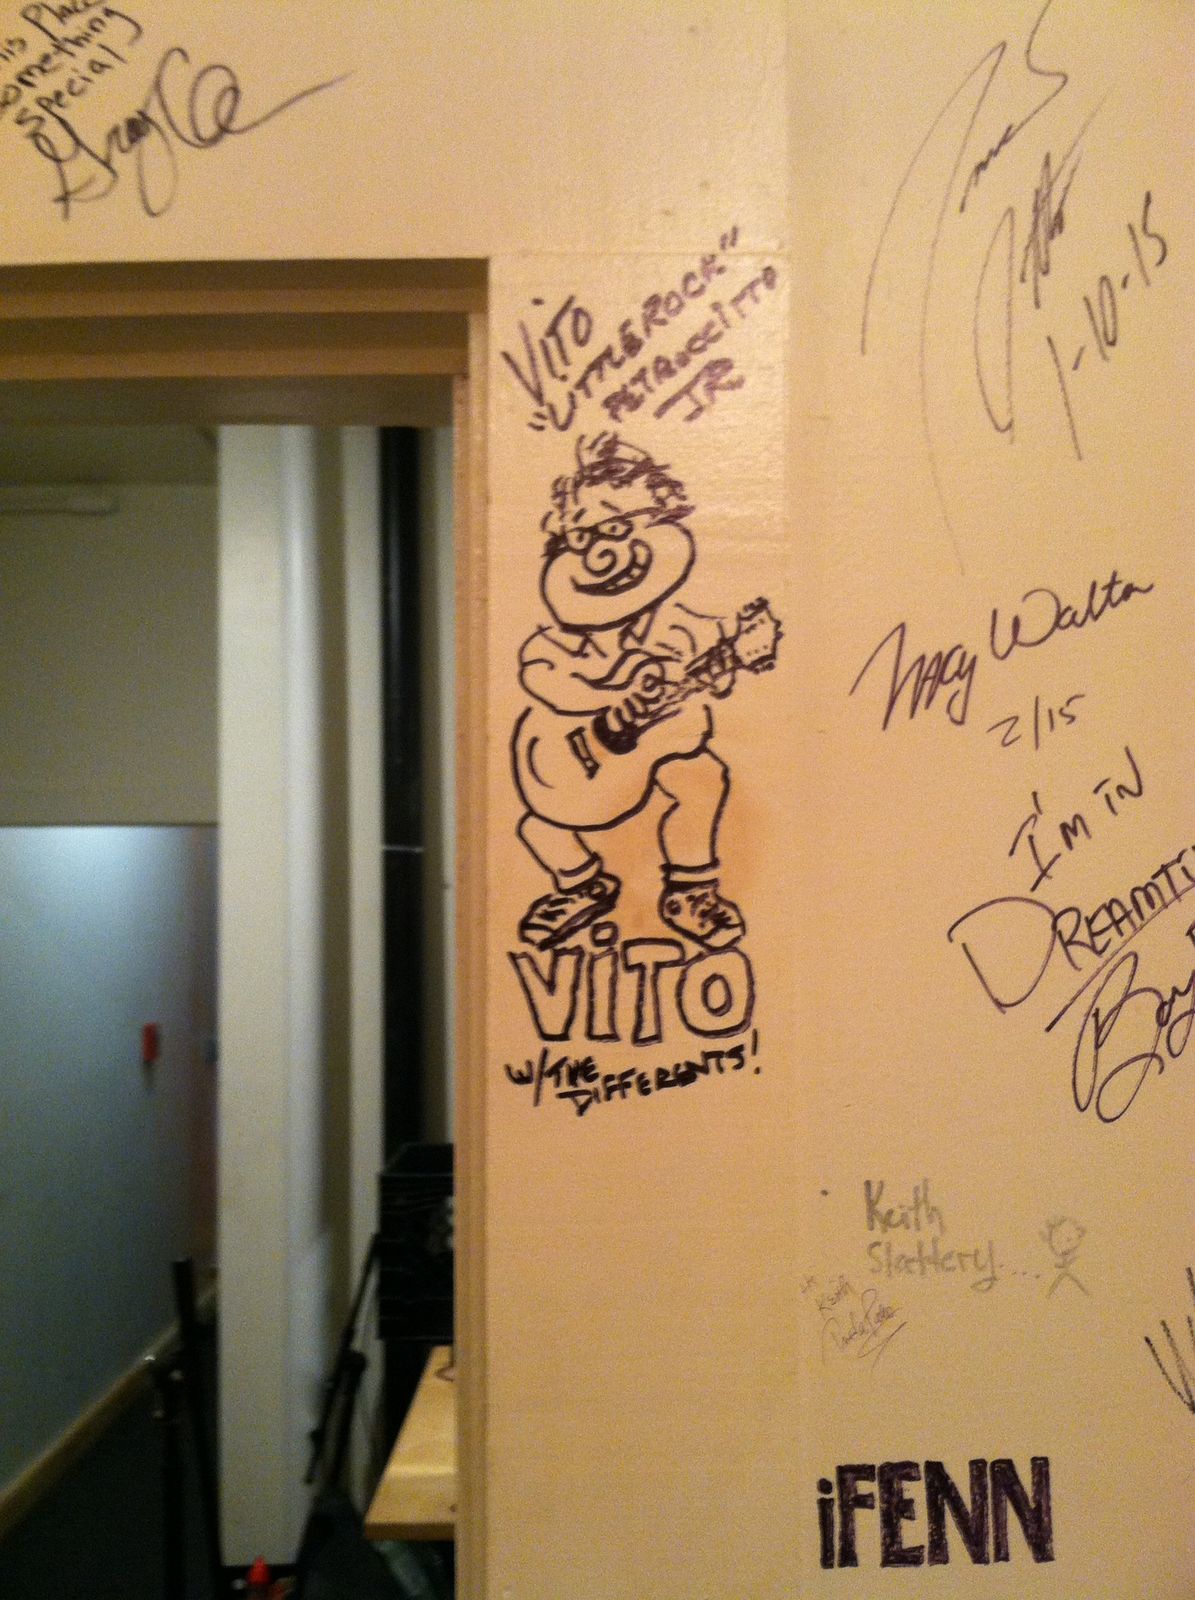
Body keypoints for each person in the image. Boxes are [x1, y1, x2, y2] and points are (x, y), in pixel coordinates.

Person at [512, 430, 747, 951]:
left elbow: (705, 695)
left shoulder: (684, 627)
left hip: (636, 764)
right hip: (561, 763)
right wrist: (607, 698)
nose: (602, 553)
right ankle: (580, 885)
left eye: (618, 528)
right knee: (539, 827)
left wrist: (729, 658)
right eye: (582, 538)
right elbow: (541, 674)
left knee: (701, 776)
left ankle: (689, 891)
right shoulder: (560, 634)